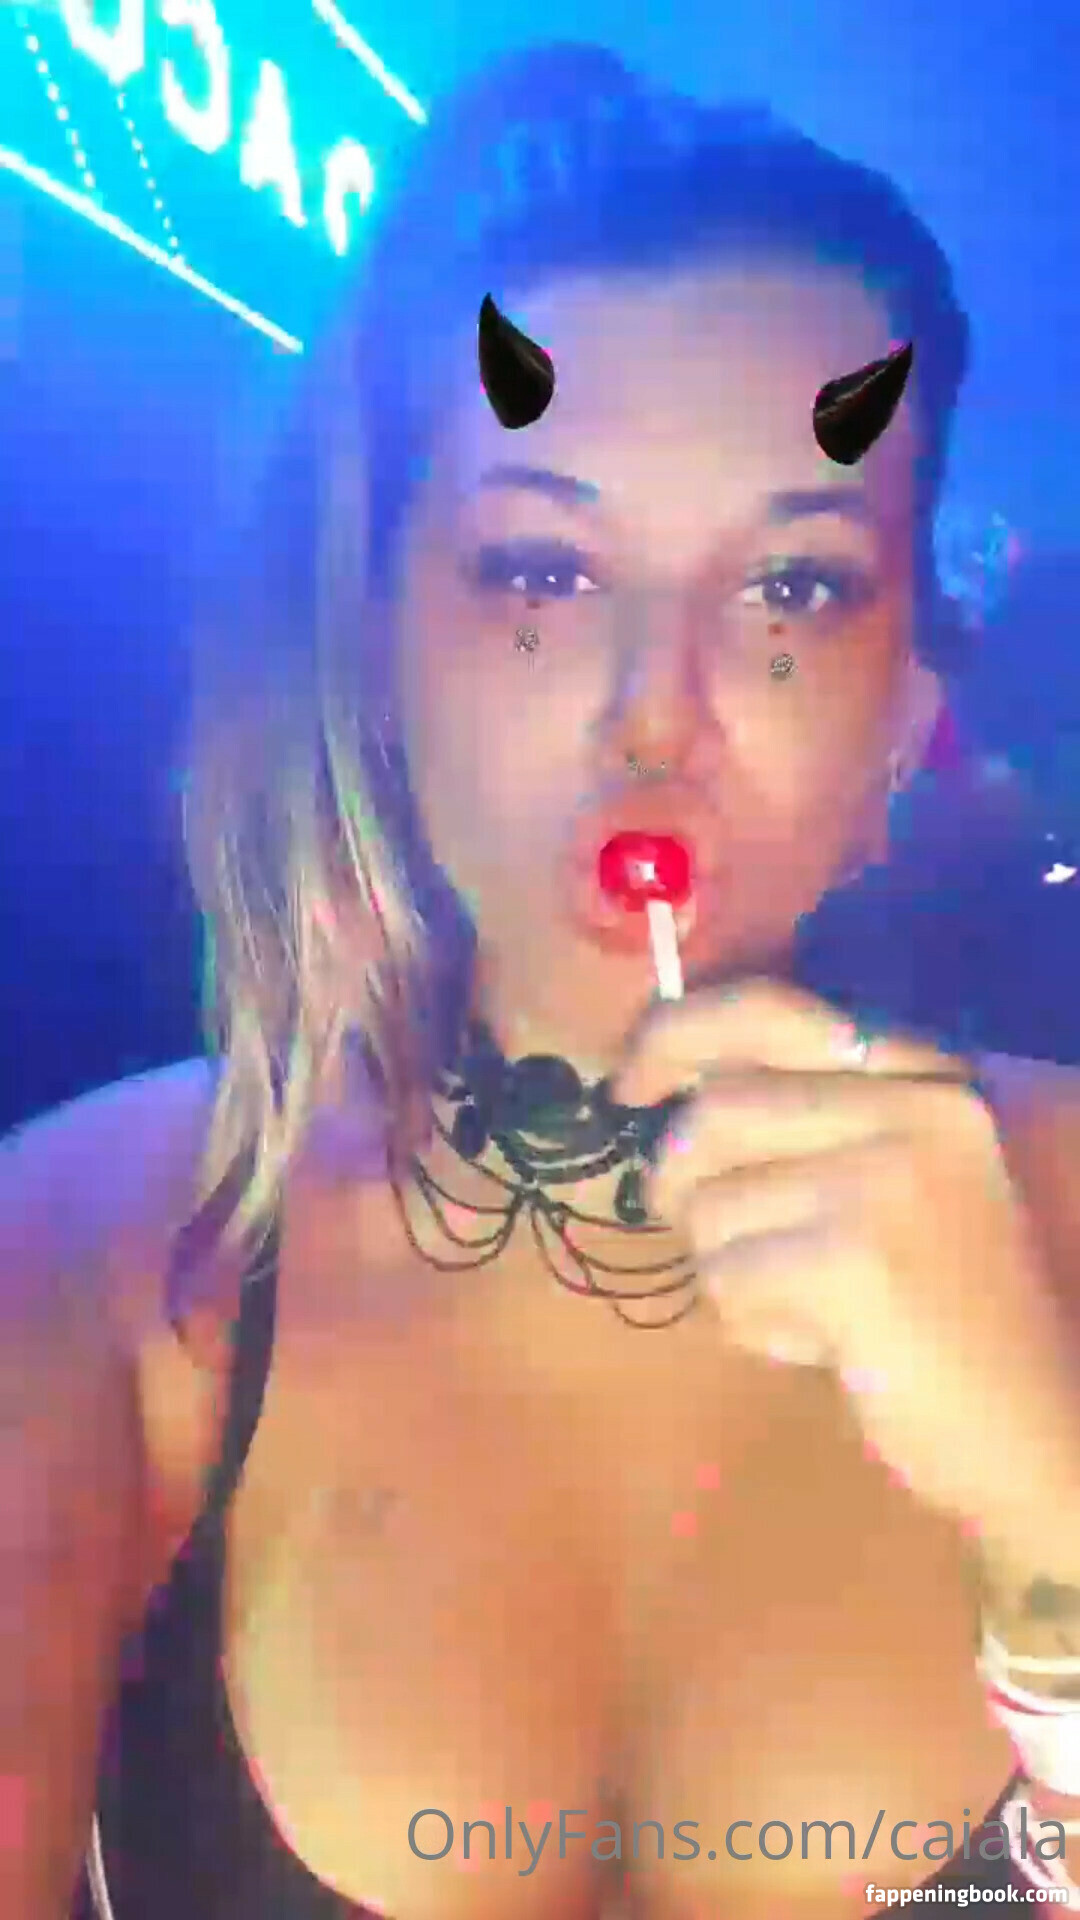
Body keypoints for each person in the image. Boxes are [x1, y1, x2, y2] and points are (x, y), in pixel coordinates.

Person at [5, 40, 1080, 1920]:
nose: (655, 710)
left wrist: (1048, 1501)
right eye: (543, 569)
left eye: (796, 585)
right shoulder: (105, 1248)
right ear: (382, 633)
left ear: (911, 694)